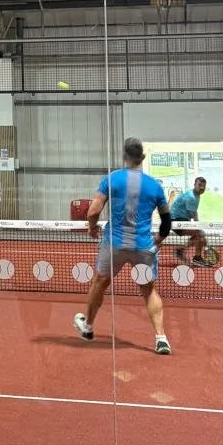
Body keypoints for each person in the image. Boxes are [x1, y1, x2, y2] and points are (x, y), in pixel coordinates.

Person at [74, 137, 173, 355]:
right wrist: (160, 238)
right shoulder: (154, 185)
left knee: (100, 282)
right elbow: (167, 221)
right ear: (143, 158)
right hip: (143, 246)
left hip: (114, 246)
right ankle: (161, 338)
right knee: (148, 290)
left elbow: (93, 211)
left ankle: (88, 326)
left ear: (124, 157)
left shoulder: (112, 179)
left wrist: (92, 228)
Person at [169, 176, 209, 266]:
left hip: (180, 219)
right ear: (194, 184)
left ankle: (180, 250)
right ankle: (197, 258)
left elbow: (194, 214)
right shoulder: (191, 197)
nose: (202, 188)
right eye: (199, 185)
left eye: (203, 186)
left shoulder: (196, 195)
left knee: (199, 236)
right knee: (200, 234)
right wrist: (199, 230)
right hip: (176, 221)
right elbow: (193, 216)